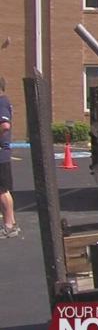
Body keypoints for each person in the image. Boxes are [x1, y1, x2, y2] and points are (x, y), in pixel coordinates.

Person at [0, 76, 20, 238]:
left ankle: (8, 226)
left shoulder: (1, 102)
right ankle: (11, 224)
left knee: (2, 190)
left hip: (0, 154)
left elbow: (5, 125)